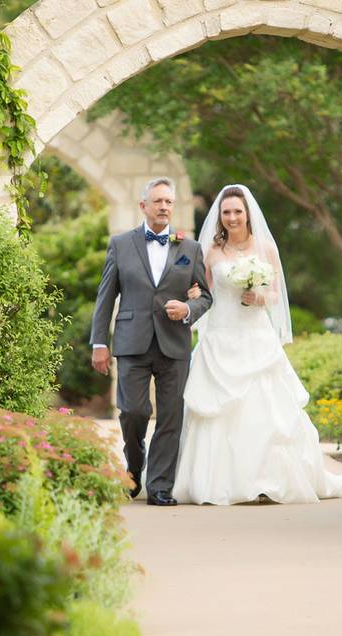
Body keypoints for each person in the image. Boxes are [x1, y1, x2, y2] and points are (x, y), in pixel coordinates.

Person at [172, 184, 342, 505]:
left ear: (247, 215)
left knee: (265, 412)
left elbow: (275, 295)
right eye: (226, 212)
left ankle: (266, 481)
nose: (231, 218)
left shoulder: (265, 250)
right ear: (220, 216)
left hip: (256, 338)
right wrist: (191, 296)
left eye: (237, 212)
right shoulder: (211, 252)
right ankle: (220, 483)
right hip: (219, 337)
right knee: (217, 413)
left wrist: (259, 296)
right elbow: (205, 292)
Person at [90, 177, 213, 506]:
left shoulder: (190, 248)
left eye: (169, 202)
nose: (163, 207)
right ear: (143, 206)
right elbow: (105, 297)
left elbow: (206, 297)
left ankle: (160, 487)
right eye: (157, 201)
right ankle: (133, 468)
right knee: (133, 411)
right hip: (132, 342)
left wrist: (188, 308)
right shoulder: (120, 244)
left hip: (174, 344)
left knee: (171, 415)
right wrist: (98, 343)